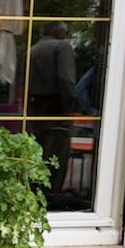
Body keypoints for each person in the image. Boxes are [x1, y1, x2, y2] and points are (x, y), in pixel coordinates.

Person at [27, 21, 77, 194]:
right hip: (57, 109)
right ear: (59, 32)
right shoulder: (62, 47)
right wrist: (70, 106)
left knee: (39, 155)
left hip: (35, 110)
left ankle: (36, 193)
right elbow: (66, 79)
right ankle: (51, 197)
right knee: (57, 157)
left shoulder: (31, 50)